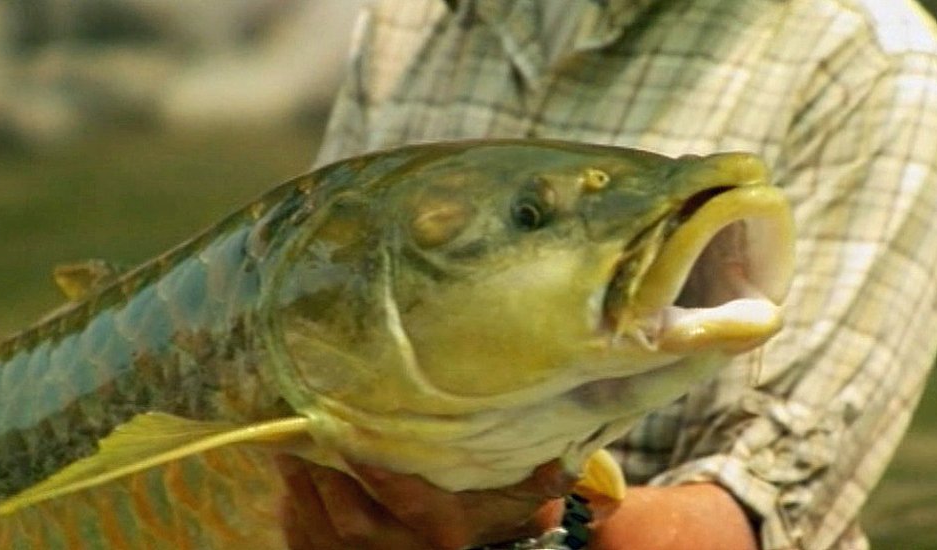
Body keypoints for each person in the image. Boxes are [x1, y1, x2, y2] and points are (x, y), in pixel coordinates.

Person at [278, 1, 937, 548]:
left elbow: (757, 517)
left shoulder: (883, 66)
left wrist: (531, 519)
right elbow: (307, 313)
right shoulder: (409, 18)